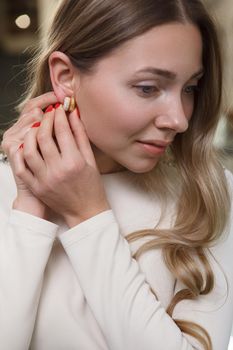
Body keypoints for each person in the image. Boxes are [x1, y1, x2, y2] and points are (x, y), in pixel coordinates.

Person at [0, 0, 232, 349]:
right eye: (148, 88)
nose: (180, 120)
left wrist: (88, 216)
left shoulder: (211, 195)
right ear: (65, 77)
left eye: (190, 88)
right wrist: (30, 209)